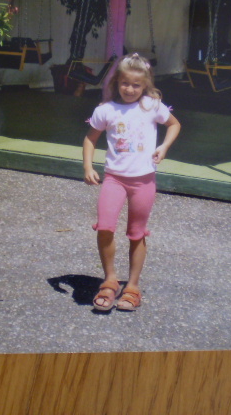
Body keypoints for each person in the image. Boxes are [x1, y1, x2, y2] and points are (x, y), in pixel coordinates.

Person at [83, 53, 181, 311]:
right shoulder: (105, 110)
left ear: (145, 85)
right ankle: (110, 281)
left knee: (136, 233)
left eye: (136, 85)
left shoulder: (152, 106)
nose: (129, 89)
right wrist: (88, 166)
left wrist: (164, 147)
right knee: (105, 227)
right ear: (117, 82)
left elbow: (174, 125)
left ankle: (133, 286)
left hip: (143, 181)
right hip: (114, 179)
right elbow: (90, 138)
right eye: (125, 83)